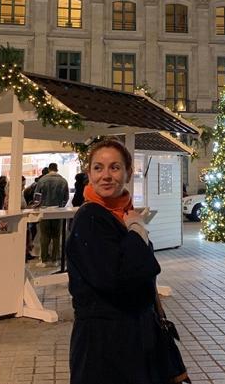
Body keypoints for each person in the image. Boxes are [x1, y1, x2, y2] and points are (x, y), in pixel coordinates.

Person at [66, 138, 163, 384]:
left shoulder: (123, 215)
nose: (106, 176)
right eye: (98, 168)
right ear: (89, 174)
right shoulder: (90, 217)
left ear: (128, 173)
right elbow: (115, 277)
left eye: (115, 167)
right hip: (102, 343)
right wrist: (136, 231)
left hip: (132, 337)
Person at [34, 163, 68, 267]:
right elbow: (66, 197)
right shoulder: (63, 181)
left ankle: (44, 260)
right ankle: (55, 260)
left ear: (49, 169)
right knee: (56, 236)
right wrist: (61, 206)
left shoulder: (42, 180)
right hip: (58, 211)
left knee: (44, 236)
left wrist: (38, 207)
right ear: (57, 169)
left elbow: (37, 197)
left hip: (44, 211)